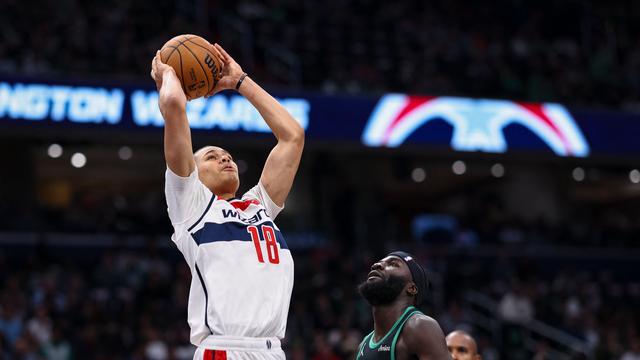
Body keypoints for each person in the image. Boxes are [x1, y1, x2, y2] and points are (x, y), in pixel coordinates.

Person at [150, 43, 304, 359]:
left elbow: (292, 136)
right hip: (224, 349)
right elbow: (175, 107)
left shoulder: (260, 206)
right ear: (193, 172)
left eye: (228, 155)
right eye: (212, 156)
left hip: (272, 350)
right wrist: (168, 74)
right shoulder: (191, 206)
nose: (224, 158)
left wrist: (240, 82)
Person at [356, 251, 451, 360]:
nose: (376, 265)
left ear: (411, 288)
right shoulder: (363, 345)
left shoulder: (420, 326)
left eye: (393, 264)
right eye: (378, 262)